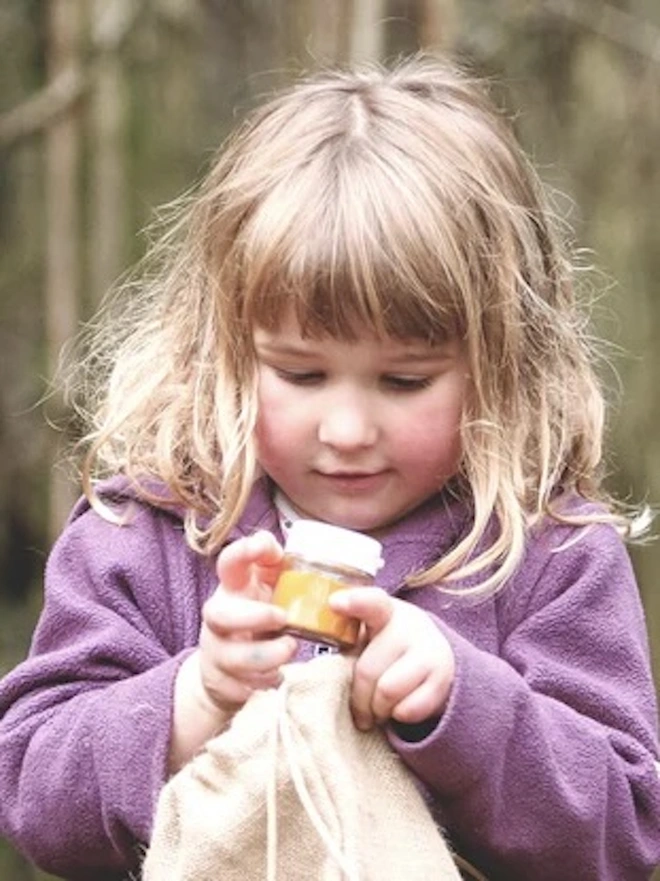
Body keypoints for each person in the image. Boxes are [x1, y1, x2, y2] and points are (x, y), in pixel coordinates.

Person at [0, 54, 659, 881]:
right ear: (226, 350)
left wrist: (465, 701)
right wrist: (196, 697)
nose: (346, 429)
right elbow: (31, 789)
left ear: (504, 361)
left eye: (405, 380)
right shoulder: (146, 531)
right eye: (301, 374)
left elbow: (629, 832)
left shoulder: (548, 557)